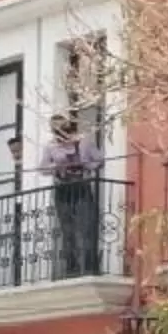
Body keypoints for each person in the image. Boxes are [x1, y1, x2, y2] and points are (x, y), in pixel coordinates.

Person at [37, 115, 101, 279]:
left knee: (86, 227)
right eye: (55, 131)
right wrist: (56, 166)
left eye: (63, 131)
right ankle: (71, 268)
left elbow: (99, 161)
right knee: (67, 230)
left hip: (81, 187)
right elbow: (42, 168)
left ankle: (89, 266)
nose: (60, 137)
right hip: (62, 189)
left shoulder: (84, 142)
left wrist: (86, 165)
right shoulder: (51, 147)